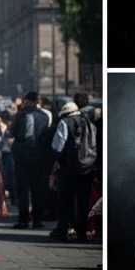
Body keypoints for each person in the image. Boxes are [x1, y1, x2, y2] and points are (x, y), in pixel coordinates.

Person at [50, 100, 97, 242]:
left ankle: (63, 229)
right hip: (87, 167)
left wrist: (57, 161)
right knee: (83, 201)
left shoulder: (65, 122)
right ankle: (82, 231)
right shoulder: (89, 123)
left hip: (68, 167)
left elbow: (58, 145)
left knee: (65, 200)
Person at [9, 91, 51, 228]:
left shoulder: (20, 115)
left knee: (22, 189)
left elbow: (13, 132)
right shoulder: (44, 116)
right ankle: (37, 219)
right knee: (37, 188)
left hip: (22, 155)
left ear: (28, 101)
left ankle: (23, 219)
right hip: (38, 157)